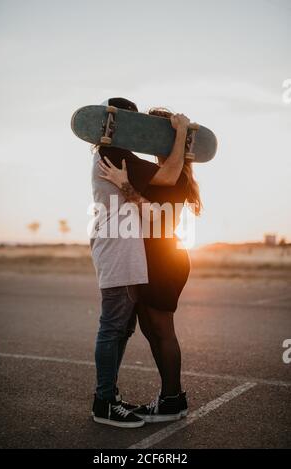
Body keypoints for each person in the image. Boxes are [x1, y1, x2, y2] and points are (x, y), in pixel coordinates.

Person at [98, 107, 202, 422]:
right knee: (153, 330)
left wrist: (125, 185)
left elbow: (154, 216)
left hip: (162, 260)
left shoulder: (175, 176)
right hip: (156, 259)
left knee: (162, 331)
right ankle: (170, 398)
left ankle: (173, 399)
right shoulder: (165, 171)